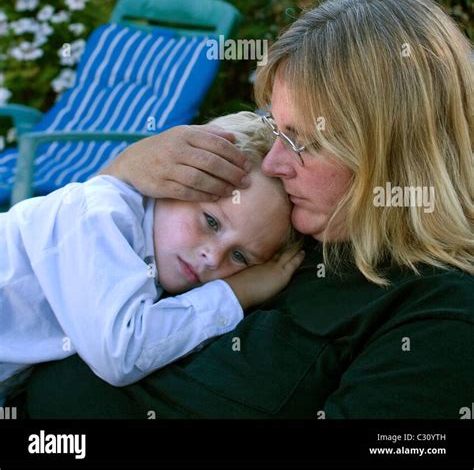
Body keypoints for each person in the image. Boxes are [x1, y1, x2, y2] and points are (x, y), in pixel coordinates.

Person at [21, 0, 474, 419]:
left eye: (302, 142)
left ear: (395, 155)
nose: (275, 163)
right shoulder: (298, 218)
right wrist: (119, 176)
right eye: (277, 129)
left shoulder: (439, 317)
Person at [0, 112, 304, 406]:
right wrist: (236, 293)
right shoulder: (101, 213)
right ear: (176, 180)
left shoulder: (153, 252)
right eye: (210, 222)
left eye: (239, 256)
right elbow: (119, 353)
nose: (212, 257)